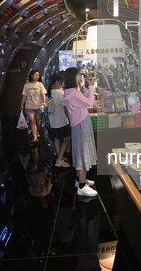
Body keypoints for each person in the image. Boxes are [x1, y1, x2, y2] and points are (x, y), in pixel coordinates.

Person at [63, 67, 97, 197]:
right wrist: (92, 87)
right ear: (73, 77)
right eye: (78, 75)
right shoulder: (74, 93)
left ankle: (80, 180)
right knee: (83, 152)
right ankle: (82, 186)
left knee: (79, 151)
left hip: (78, 124)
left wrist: (87, 88)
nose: (80, 77)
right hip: (82, 124)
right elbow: (90, 103)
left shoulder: (70, 91)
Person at [48, 72, 72, 168]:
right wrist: (70, 119)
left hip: (53, 121)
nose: (63, 84)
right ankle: (59, 160)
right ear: (58, 82)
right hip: (62, 121)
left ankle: (60, 158)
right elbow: (65, 108)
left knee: (57, 139)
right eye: (62, 82)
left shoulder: (49, 93)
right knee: (68, 138)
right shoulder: (60, 93)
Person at [20, 69, 47, 146]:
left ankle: (37, 131)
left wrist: (44, 102)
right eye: (36, 75)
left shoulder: (40, 84)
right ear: (32, 75)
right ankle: (35, 137)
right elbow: (24, 96)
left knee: (38, 121)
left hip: (38, 106)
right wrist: (22, 105)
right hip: (29, 106)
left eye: (38, 75)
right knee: (32, 121)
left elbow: (43, 94)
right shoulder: (27, 85)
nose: (37, 77)